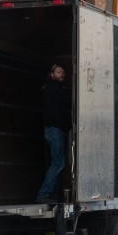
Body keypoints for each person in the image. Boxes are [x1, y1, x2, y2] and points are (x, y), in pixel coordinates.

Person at [35, 64, 71, 203]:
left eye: (63, 72)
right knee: (58, 163)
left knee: (58, 163)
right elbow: (66, 98)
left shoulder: (56, 88)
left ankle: (52, 195)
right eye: (58, 72)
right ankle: (44, 194)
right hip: (54, 129)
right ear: (52, 74)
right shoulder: (52, 88)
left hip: (58, 129)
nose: (62, 74)